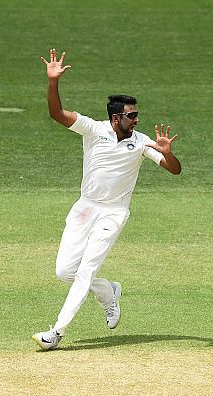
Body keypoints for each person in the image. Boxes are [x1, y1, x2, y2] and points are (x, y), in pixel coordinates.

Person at [32, 49, 181, 350]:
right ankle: (109, 293)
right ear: (116, 118)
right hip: (85, 208)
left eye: (137, 114)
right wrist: (52, 82)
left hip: (113, 213)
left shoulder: (140, 142)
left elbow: (174, 170)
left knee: (86, 269)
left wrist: (167, 152)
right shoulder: (94, 129)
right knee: (65, 272)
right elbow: (57, 114)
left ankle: (56, 332)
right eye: (132, 115)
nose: (137, 120)